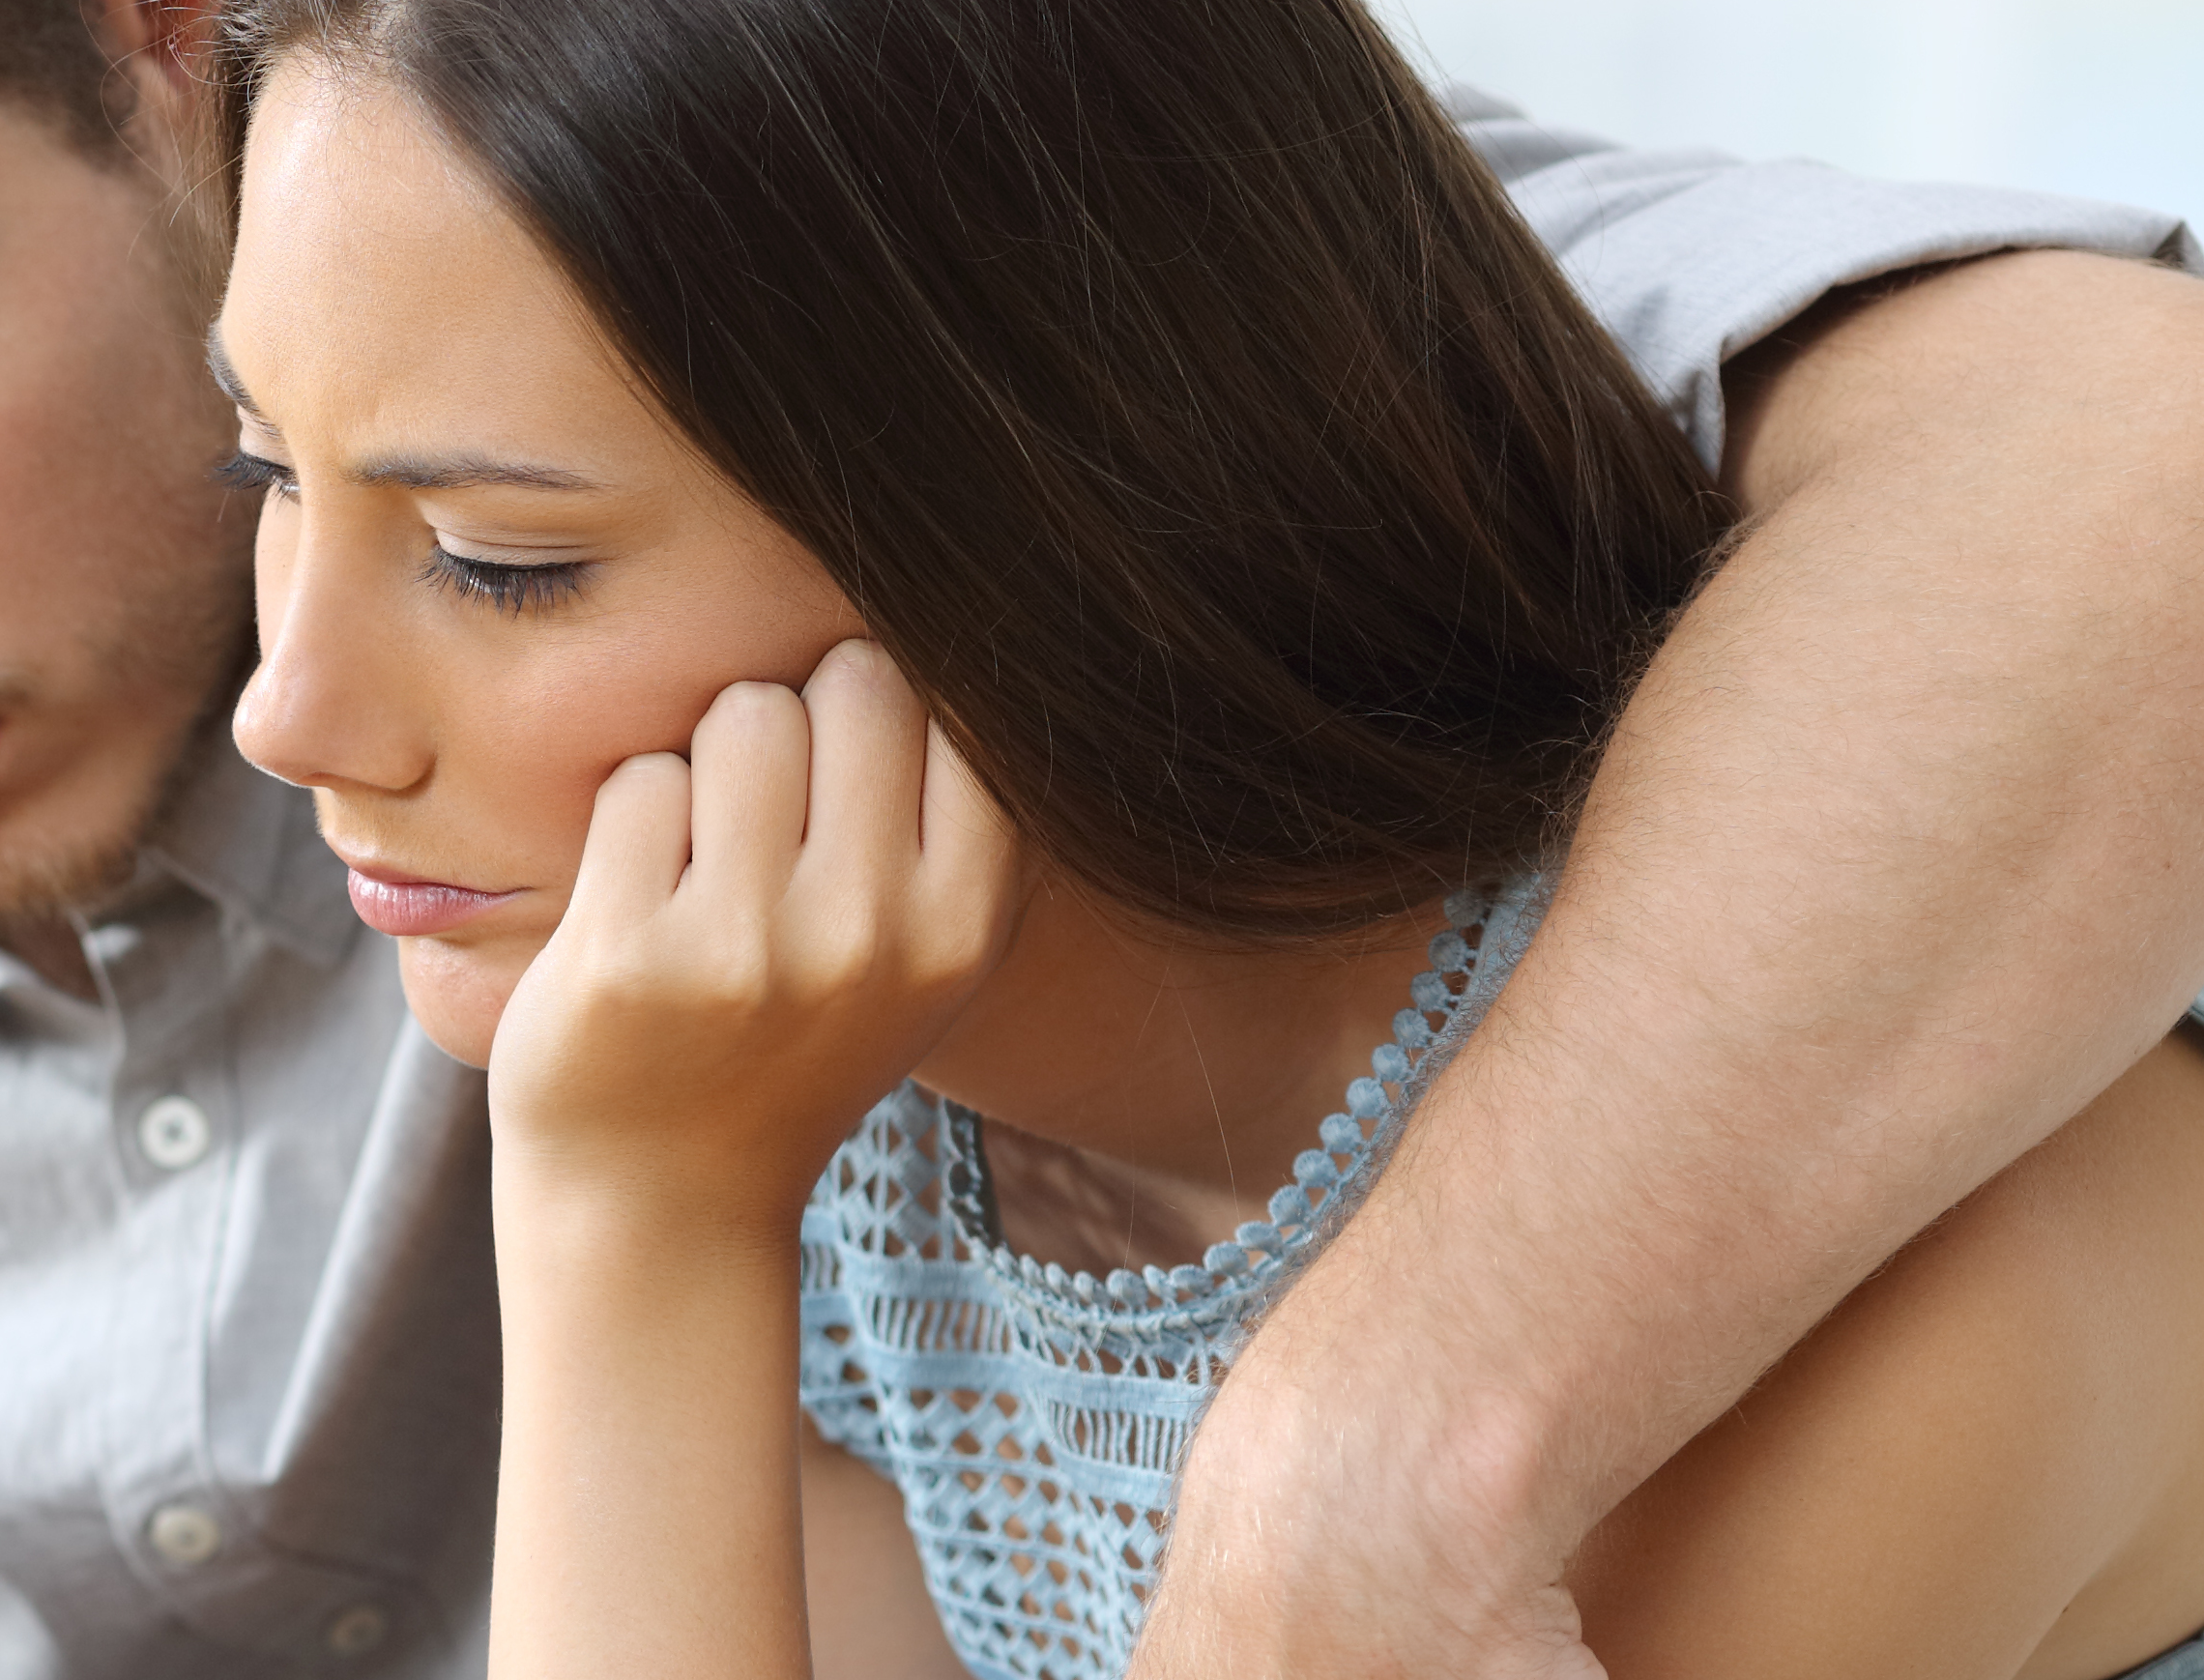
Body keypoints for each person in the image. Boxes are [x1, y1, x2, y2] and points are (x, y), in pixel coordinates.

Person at [0, 1, 2204, 1674]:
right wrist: (629, 1214)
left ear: (158, 59)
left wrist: (1385, 1470)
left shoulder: (745, 173)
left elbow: (2124, 460)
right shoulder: (863, 1187)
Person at [210, 0, 2204, 1675]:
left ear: (1063, 512)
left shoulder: (1779, 1266)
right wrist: (636, 1219)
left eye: (499, 559)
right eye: (268, 473)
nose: (285, 714)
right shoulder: (797, 1111)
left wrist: (632, 1227)